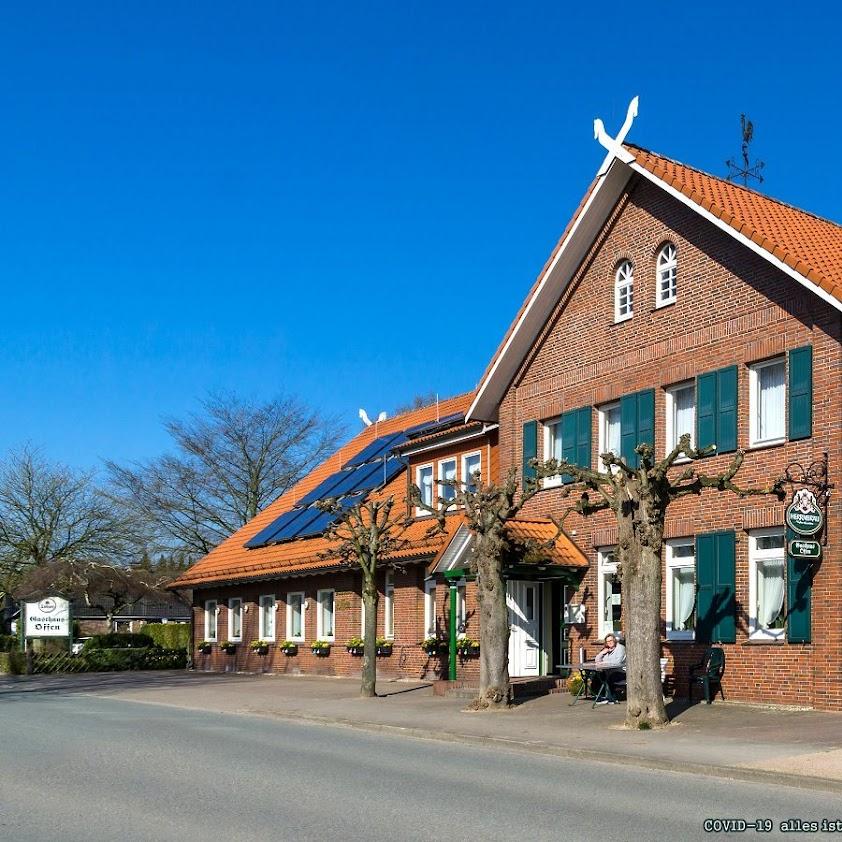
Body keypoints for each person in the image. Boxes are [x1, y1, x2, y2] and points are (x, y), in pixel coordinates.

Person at [593, 633, 626, 704]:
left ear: (614, 640)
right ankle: (601, 697)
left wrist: (604, 662)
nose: (609, 642)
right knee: (596, 677)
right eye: (608, 641)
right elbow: (597, 660)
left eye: (611, 640)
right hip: (609, 671)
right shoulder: (606, 649)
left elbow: (618, 662)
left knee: (608, 676)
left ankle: (612, 698)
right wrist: (602, 653)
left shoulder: (620, 648)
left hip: (621, 672)